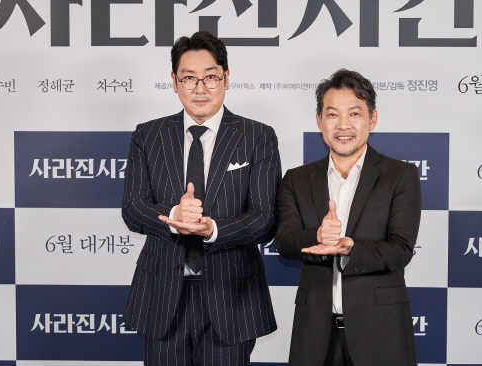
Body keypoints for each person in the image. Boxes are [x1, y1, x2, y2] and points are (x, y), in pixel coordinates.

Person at [121, 31, 281, 365]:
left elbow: (265, 218)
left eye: (210, 77)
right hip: (162, 294)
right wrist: (174, 216)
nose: (200, 88)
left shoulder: (257, 136)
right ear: (174, 82)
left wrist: (213, 229)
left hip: (232, 295)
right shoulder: (147, 136)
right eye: (189, 78)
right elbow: (133, 208)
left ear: (226, 78)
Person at [274, 69, 421, 366]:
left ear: (372, 119)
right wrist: (316, 236)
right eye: (332, 115)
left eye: (354, 113)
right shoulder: (296, 179)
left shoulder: (400, 175)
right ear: (319, 121)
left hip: (381, 333)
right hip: (315, 335)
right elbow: (285, 242)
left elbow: (401, 250)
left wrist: (351, 247)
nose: (343, 125)